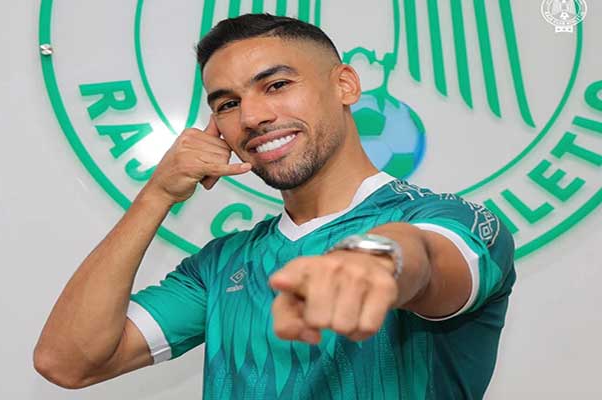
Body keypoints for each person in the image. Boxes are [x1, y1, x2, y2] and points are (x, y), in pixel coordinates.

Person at [34, 13, 515, 399]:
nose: (252, 116)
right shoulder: (221, 264)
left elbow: (424, 256)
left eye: (277, 85)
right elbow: (68, 362)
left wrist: (377, 259)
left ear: (345, 85)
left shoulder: (450, 220)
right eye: (227, 104)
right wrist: (156, 195)